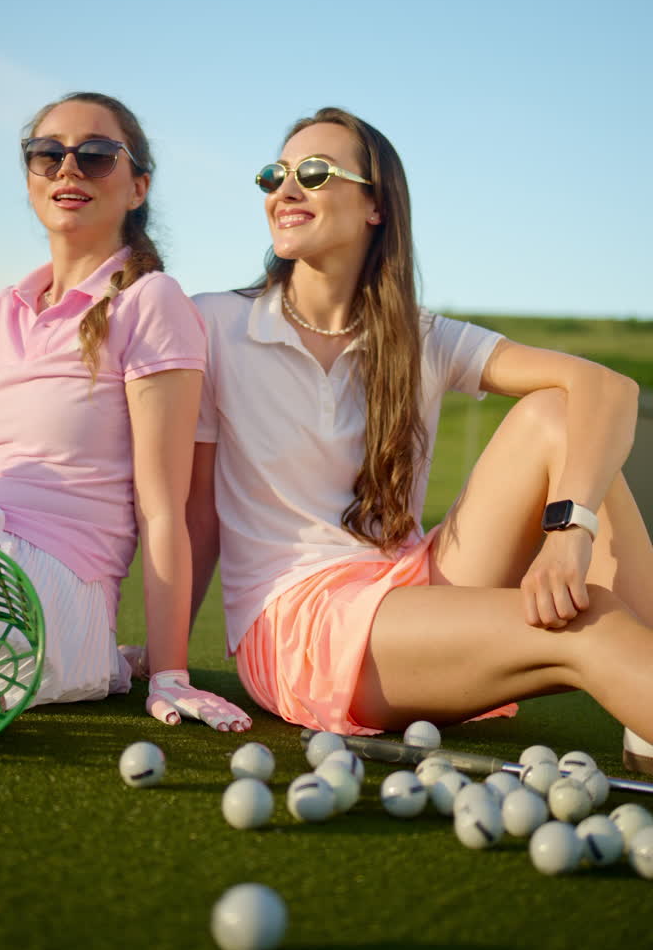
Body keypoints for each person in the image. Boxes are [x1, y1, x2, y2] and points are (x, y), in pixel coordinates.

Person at [187, 105, 653, 771]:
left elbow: (610, 390)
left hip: (415, 582)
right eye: (274, 175)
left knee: (559, 413)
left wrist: (566, 535)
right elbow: (194, 510)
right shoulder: (213, 323)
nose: (284, 191)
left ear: (375, 205)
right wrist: (169, 663)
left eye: (313, 173)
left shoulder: (417, 333)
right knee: (589, 621)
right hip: (303, 624)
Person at [0, 91, 251, 733]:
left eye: (96, 155)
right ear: (30, 178)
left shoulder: (149, 302)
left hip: (51, 594)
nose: (69, 168)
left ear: (138, 187)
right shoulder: (1, 311)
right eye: (47, 155)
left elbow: (164, 507)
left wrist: (169, 673)